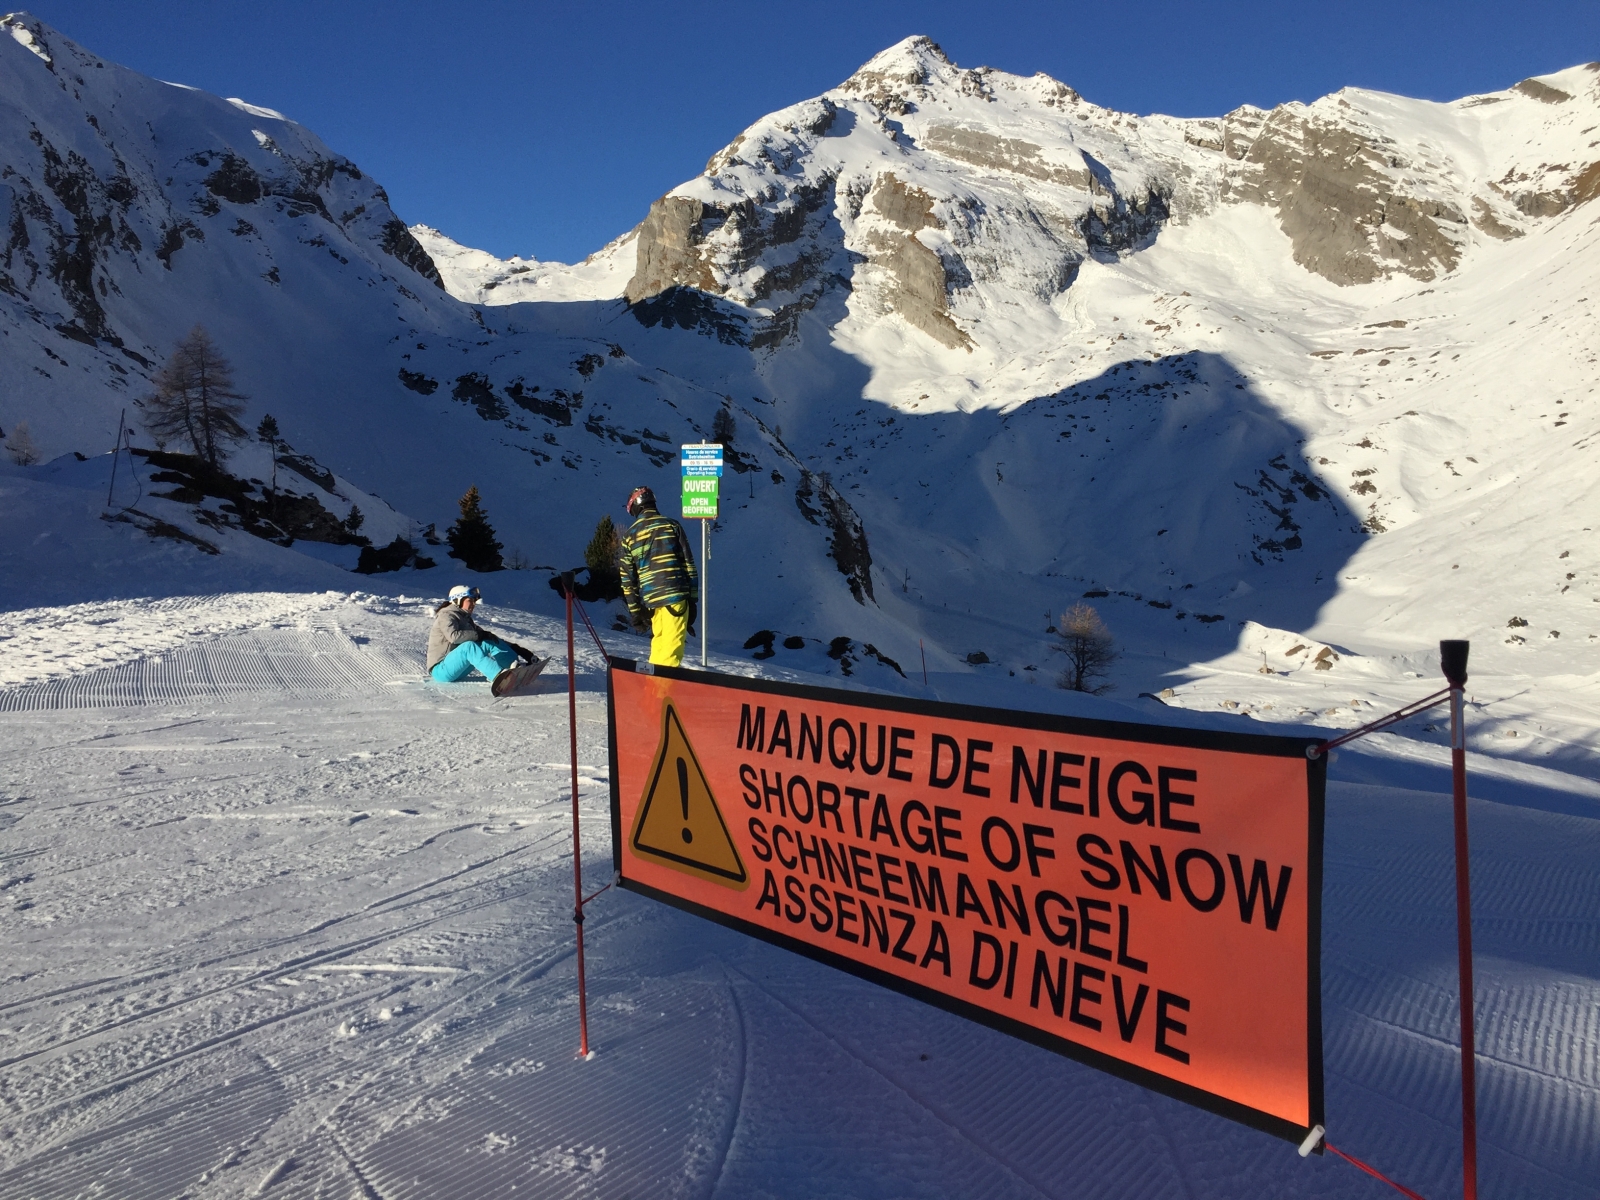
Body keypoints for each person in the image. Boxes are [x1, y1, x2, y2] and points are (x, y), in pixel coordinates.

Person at [618, 485, 698, 667]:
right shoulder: (671, 525)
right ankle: (664, 692)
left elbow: (627, 580)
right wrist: (693, 600)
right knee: (671, 654)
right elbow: (689, 566)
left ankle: (653, 691)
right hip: (676, 596)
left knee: (659, 647)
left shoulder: (629, 536)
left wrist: (636, 612)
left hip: (651, 602)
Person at [427, 585, 536, 686]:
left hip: (458, 669)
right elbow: (454, 637)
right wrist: (479, 635)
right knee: (469, 646)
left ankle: (513, 668)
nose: (473, 604)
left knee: (489, 640)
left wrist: (517, 649)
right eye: (470, 600)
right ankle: (498, 676)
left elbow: (486, 637)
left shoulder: (465, 619)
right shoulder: (446, 615)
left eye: (474, 601)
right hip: (441, 670)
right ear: (457, 600)